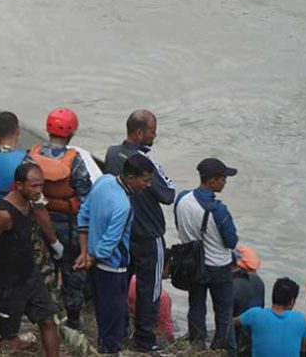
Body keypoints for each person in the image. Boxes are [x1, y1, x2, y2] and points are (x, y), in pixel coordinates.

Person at [104, 109, 175, 351]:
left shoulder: (112, 153)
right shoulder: (148, 163)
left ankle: (119, 330)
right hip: (149, 234)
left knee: (120, 285)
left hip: (123, 232)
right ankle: (145, 340)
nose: (155, 136)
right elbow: (168, 194)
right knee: (150, 289)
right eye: (152, 132)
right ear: (140, 132)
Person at [0, 162, 60, 356]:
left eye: (41, 185)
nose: (39, 190)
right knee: (0, 330)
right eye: (34, 186)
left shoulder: (30, 204)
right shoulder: (3, 215)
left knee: (47, 320)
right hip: (8, 283)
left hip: (30, 275)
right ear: (19, 185)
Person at [74, 153, 155, 354]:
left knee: (103, 315)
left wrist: (84, 253)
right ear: (130, 179)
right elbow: (110, 243)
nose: (148, 185)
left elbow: (84, 214)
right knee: (114, 318)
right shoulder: (123, 205)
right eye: (145, 180)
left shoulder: (104, 180)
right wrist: (92, 256)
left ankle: (104, 347)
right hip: (112, 268)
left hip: (94, 266)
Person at [29, 107, 92, 330]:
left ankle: (43, 316)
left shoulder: (32, 153)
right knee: (74, 272)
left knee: (40, 270)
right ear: (71, 133)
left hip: (38, 222)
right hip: (68, 225)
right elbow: (86, 198)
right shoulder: (74, 160)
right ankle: (73, 319)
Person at [0, 111, 63, 259]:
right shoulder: (26, 163)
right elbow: (39, 209)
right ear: (18, 131)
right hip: (22, 230)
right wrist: (54, 242)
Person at [175, 157, 239, 355]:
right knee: (224, 311)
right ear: (212, 182)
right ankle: (223, 348)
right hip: (219, 266)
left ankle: (197, 342)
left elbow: (179, 226)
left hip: (192, 263)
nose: (225, 182)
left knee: (196, 305)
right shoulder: (218, 210)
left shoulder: (182, 199)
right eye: (223, 178)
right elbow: (231, 241)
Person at [234, 277, 306, 357]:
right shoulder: (300, 319)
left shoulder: (255, 314)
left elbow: (230, 323)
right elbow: (303, 351)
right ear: (292, 301)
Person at [233, 245, 265, 356]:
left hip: (237, 341)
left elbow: (227, 320)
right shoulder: (259, 282)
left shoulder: (233, 285)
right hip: (254, 340)